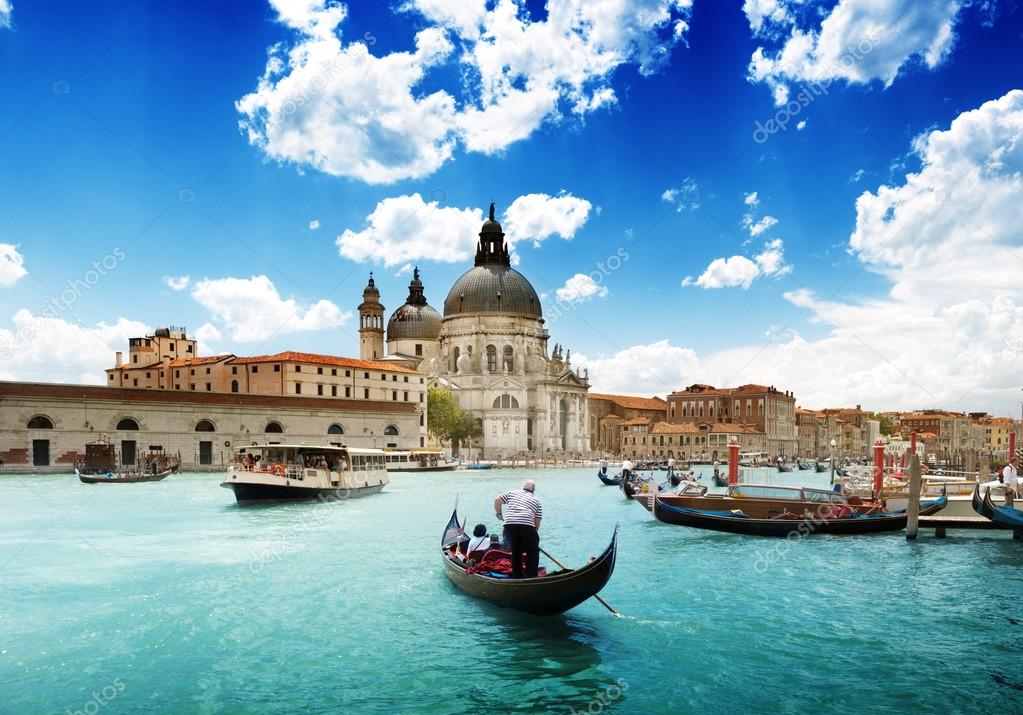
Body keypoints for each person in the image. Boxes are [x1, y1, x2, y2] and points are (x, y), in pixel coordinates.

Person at [494, 480, 543, 579]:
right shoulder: (536, 500)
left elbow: (497, 501)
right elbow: (537, 520)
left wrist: (499, 514)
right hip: (527, 525)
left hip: (509, 525)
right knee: (533, 551)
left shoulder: (512, 493)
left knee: (516, 550)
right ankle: (532, 576)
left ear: (523, 487)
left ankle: (517, 575)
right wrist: (534, 533)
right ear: (533, 490)